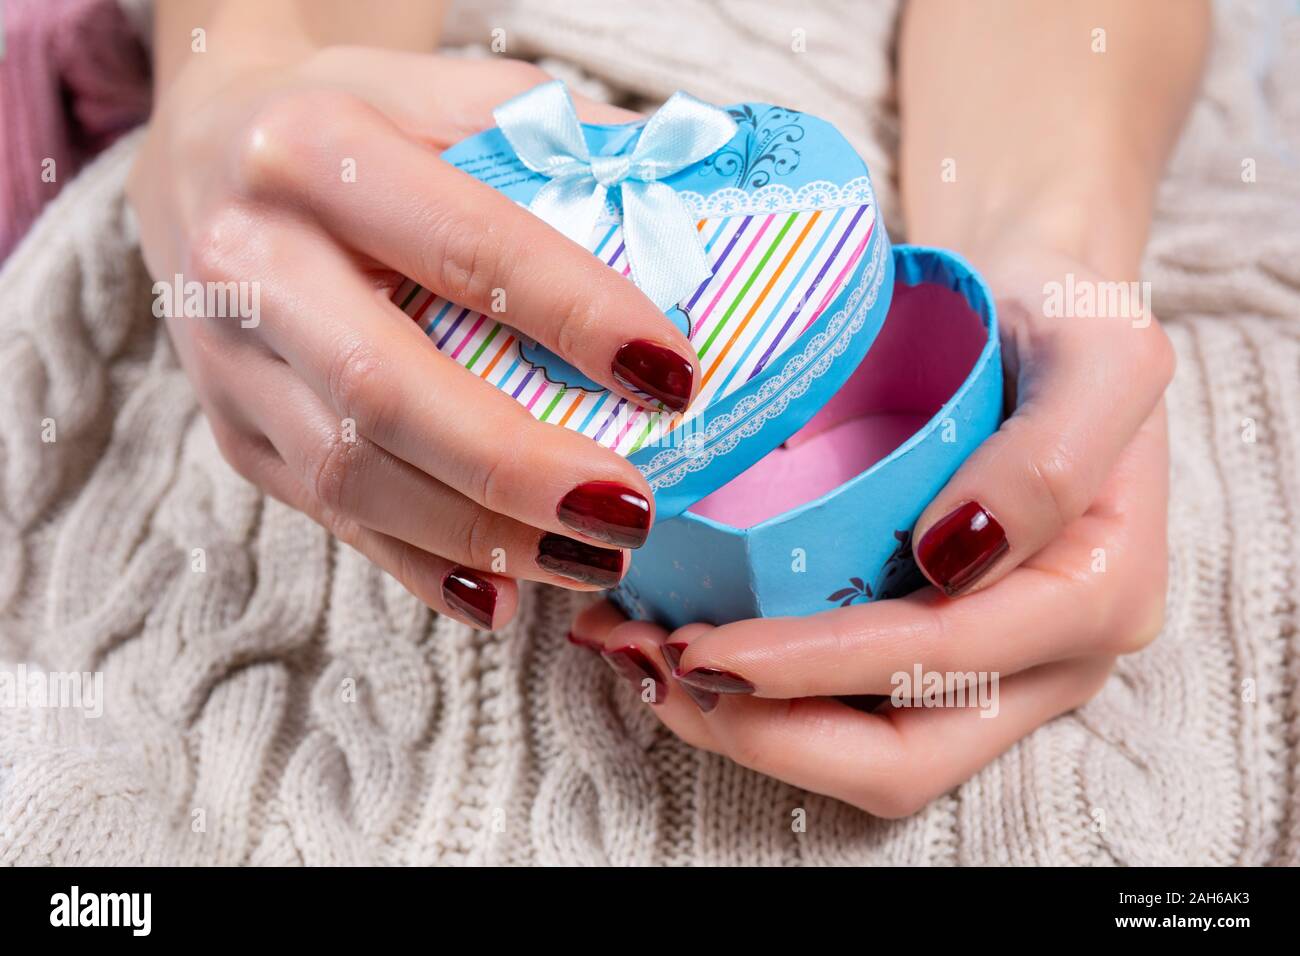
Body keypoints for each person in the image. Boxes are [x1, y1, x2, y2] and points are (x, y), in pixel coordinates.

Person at [129, 0, 1210, 816]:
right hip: (339, 300)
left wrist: (1050, 254)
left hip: (870, 213)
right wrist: (233, 98)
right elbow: (277, 44)